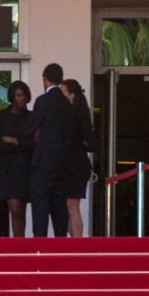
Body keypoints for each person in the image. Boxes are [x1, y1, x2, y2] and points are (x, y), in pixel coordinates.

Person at [26, 63, 74, 236]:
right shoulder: (67, 104)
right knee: (59, 205)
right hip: (62, 162)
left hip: (43, 161)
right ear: (61, 80)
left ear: (44, 79)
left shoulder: (43, 101)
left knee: (40, 205)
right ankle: (60, 244)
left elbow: (29, 128)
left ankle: (40, 246)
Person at [0, 80, 35, 237]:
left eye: (24, 95)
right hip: (7, 170)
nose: (22, 99)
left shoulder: (31, 117)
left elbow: (34, 144)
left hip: (25, 169)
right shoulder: (0, 116)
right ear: (12, 97)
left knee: (22, 209)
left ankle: (21, 243)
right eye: (19, 95)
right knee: (14, 208)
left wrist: (14, 140)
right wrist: (21, 143)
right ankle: (18, 244)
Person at [56, 78, 97, 237]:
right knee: (68, 206)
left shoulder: (79, 115)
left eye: (63, 93)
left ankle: (77, 244)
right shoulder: (69, 115)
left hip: (76, 166)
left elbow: (92, 143)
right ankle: (73, 243)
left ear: (72, 95)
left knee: (71, 205)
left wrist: (80, 143)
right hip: (69, 165)